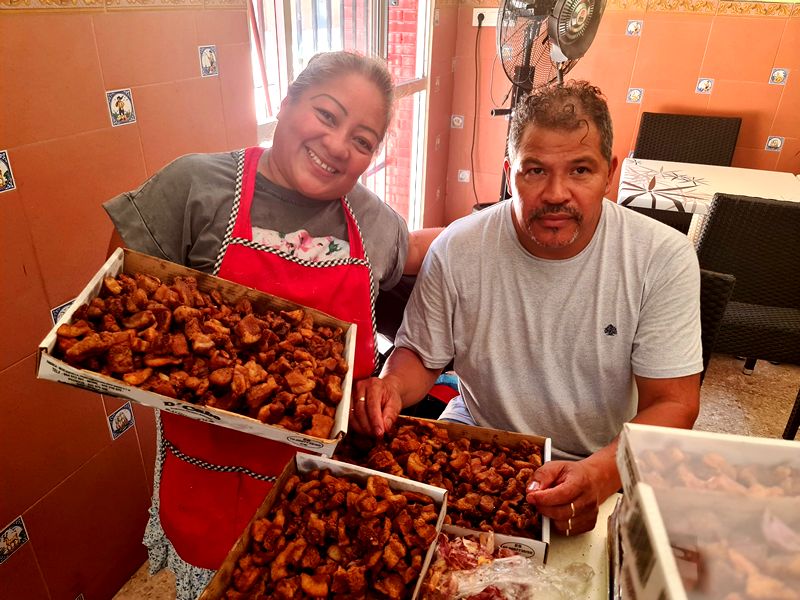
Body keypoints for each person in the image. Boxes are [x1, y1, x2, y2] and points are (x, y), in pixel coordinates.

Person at [104, 50, 440, 599]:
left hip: (325, 500)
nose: (337, 146)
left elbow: (425, 252)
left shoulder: (375, 223)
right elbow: (116, 308)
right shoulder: (196, 187)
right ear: (286, 104)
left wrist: (500, 227)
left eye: (362, 140)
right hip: (209, 484)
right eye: (326, 115)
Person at [351, 80, 702, 538]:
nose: (556, 193)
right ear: (508, 171)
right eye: (534, 170)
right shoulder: (458, 248)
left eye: (580, 170)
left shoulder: (661, 257)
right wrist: (393, 385)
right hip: (477, 437)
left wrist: (599, 473)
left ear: (610, 172)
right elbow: (421, 356)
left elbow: (674, 404)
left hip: (601, 455)